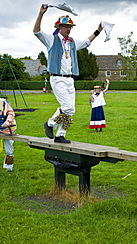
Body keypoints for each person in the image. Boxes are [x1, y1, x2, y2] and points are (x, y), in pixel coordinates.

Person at [33, 4, 103, 143]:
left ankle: (60, 135)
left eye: (70, 27)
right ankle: (50, 123)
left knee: (71, 110)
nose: (69, 29)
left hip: (70, 80)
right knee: (67, 107)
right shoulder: (51, 39)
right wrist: (41, 14)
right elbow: (36, 31)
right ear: (59, 27)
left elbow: (87, 42)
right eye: (66, 27)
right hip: (57, 79)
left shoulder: (72, 42)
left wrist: (98, 30)